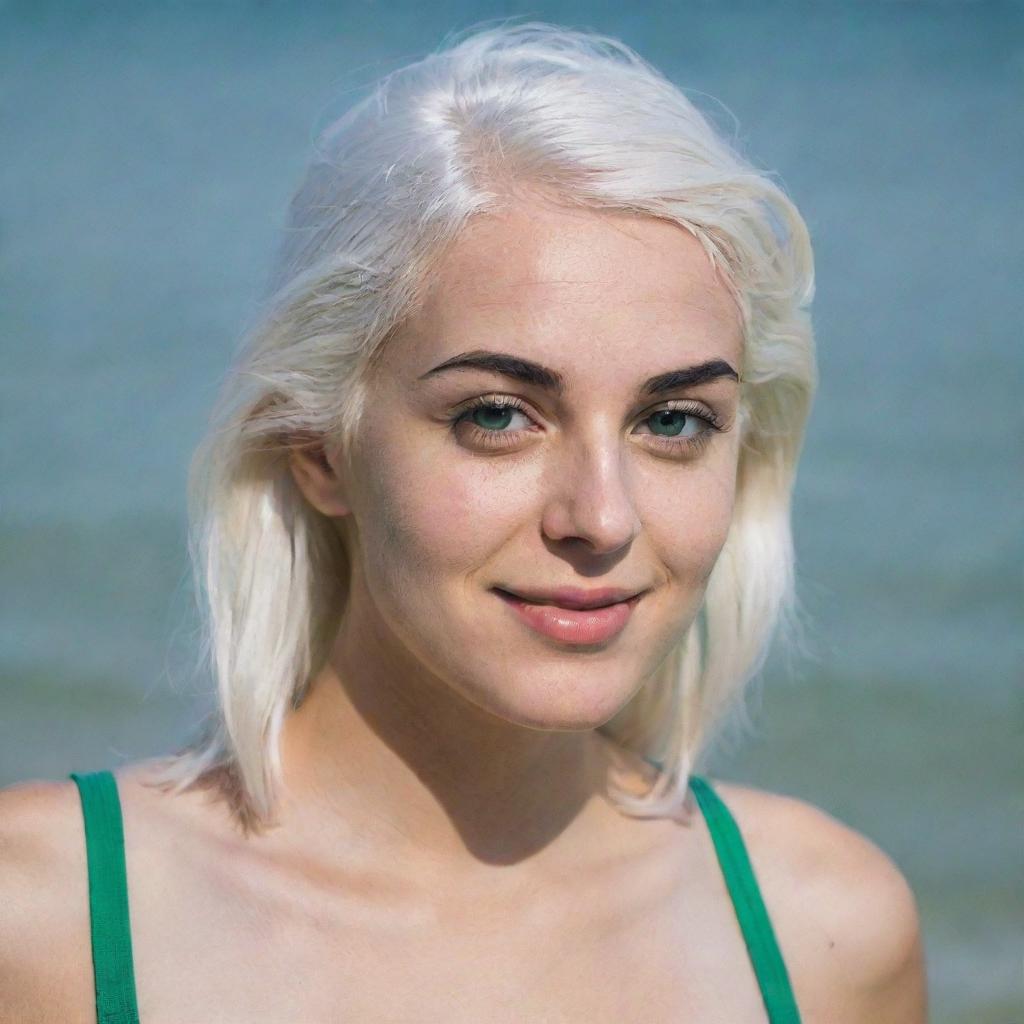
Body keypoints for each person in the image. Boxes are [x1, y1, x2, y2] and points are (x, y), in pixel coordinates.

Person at [0, 21, 928, 1024]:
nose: (601, 517)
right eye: (497, 415)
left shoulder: (825, 934)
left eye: (672, 421)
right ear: (317, 447)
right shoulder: (42, 924)